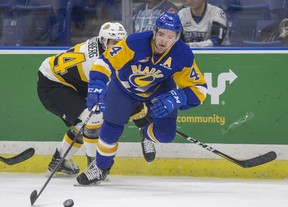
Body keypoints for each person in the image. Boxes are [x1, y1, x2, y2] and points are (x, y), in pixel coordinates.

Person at [76, 12, 208, 185]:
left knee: (166, 135)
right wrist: (96, 83)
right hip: (123, 87)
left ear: (177, 37)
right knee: (110, 129)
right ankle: (100, 168)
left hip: (159, 90)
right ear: (154, 32)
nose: (164, 40)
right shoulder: (135, 43)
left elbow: (199, 89)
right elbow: (104, 61)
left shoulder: (183, 55)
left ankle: (146, 134)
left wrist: (177, 98)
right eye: (161, 34)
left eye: (170, 36)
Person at [37, 22, 130, 176]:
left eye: (121, 43)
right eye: (114, 43)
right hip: (52, 84)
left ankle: (59, 161)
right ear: (103, 42)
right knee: (93, 118)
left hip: (67, 81)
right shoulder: (96, 62)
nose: (118, 47)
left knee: (86, 121)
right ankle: (95, 165)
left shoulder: (104, 48)